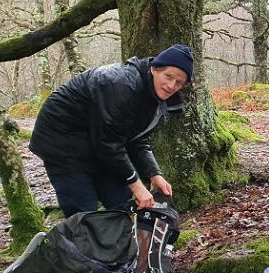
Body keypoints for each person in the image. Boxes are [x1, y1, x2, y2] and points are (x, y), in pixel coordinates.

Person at [29, 44, 193, 216]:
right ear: (154, 69)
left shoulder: (153, 96)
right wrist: (136, 184)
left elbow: (138, 139)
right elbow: (108, 143)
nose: (171, 85)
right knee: (84, 212)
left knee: (121, 201)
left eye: (179, 83)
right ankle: (79, 239)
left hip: (98, 144)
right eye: (168, 76)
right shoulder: (121, 84)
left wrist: (154, 174)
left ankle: (117, 240)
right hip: (62, 142)